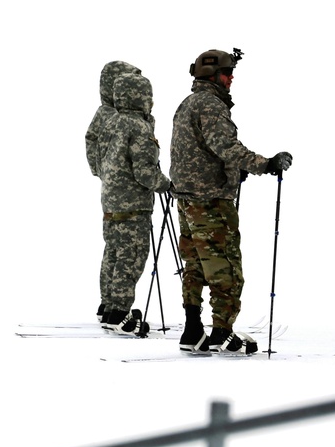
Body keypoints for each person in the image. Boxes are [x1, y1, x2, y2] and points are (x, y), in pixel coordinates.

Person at [169, 48, 292, 354]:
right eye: (227, 73)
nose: (231, 79)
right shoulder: (211, 105)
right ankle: (222, 332)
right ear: (213, 76)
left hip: (186, 200)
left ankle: (193, 330)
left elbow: (197, 152)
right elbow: (225, 146)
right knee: (225, 267)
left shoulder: (187, 104)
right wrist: (265, 164)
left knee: (195, 265)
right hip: (210, 203)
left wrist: (232, 172)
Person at [97, 72, 171, 336]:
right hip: (134, 204)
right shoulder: (139, 127)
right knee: (132, 257)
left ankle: (108, 307)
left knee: (113, 254)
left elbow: (96, 159)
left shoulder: (110, 122)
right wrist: (165, 184)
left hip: (111, 201)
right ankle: (120, 314)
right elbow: (144, 172)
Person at [85, 60, 142, 323]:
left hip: (112, 193)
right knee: (127, 251)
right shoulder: (118, 116)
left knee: (114, 248)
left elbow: (93, 143)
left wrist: (105, 173)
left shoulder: (106, 114)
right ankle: (117, 308)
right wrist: (110, 172)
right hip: (128, 195)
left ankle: (108, 303)